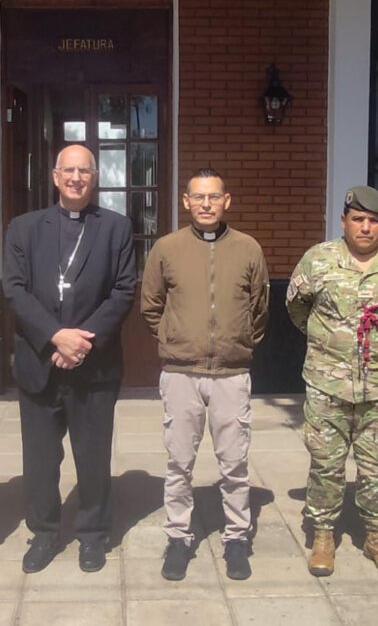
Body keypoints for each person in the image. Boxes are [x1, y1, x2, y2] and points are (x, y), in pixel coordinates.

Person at [2, 144, 136, 574]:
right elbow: (14, 289)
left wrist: (81, 344)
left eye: (85, 171)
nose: (76, 178)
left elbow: (123, 291)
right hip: (39, 363)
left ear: (94, 178)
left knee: (93, 458)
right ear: (55, 177)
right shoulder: (23, 228)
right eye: (69, 170)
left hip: (94, 367)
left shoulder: (116, 227)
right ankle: (43, 532)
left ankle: (93, 535)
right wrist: (55, 337)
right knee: (40, 461)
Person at [285, 185, 378, 577]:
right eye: (358, 219)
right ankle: (323, 536)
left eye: (374, 221)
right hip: (327, 385)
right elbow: (297, 308)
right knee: (326, 464)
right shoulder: (318, 259)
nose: (366, 228)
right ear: (344, 221)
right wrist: (329, 342)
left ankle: (376, 537)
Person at [141, 169, 269, 582]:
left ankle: (236, 538)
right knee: (179, 462)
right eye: (198, 197)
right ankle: (178, 537)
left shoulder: (248, 248)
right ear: (186, 201)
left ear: (226, 201)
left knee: (234, 463)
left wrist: (240, 341)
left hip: (231, 373)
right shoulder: (167, 248)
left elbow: (260, 307)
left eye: (214, 197)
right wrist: (175, 338)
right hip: (182, 372)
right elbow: (151, 305)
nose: (206, 204)